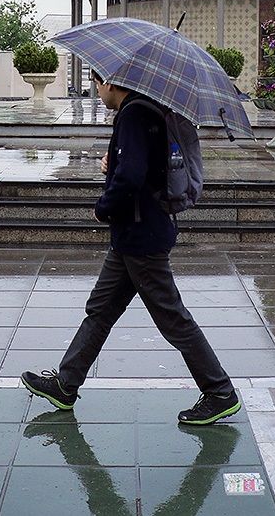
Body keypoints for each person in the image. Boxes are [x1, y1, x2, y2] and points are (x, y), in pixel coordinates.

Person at [22, 71, 240, 425]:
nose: (98, 92)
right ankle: (66, 384)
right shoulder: (146, 109)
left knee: (171, 316)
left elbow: (132, 176)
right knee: (101, 310)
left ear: (110, 83)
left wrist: (103, 207)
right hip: (135, 234)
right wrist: (115, 163)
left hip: (141, 236)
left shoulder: (135, 113)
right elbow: (141, 166)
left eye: (97, 85)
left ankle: (220, 392)